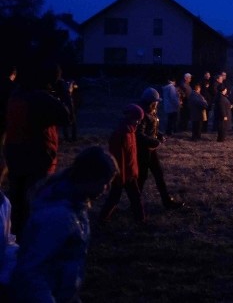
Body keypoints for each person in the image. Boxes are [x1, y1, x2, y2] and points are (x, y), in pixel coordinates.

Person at [10, 146, 117, 303]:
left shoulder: (77, 207)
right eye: (105, 182)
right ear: (91, 177)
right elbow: (32, 270)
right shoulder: (58, 215)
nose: (106, 189)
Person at [4, 62, 70, 234]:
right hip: (37, 157)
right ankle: (32, 238)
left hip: (15, 154)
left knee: (18, 201)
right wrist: (64, 94)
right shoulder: (41, 99)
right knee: (36, 200)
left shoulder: (17, 95)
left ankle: (15, 236)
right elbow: (66, 117)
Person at [135, 88, 184, 209]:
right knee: (142, 178)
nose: (158, 103)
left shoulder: (152, 111)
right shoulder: (142, 114)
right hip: (143, 151)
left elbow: (152, 130)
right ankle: (135, 204)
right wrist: (154, 141)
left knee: (159, 175)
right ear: (150, 101)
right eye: (156, 101)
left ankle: (167, 201)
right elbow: (139, 135)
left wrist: (160, 135)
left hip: (151, 149)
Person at [99, 104, 146, 224]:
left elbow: (132, 155)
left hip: (130, 173)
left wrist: (134, 171)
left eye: (140, 120)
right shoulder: (120, 134)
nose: (139, 123)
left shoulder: (131, 132)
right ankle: (102, 219)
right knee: (114, 198)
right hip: (121, 175)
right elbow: (119, 158)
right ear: (130, 118)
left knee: (135, 197)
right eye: (137, 120)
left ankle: (140, 220)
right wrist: (120, 177)